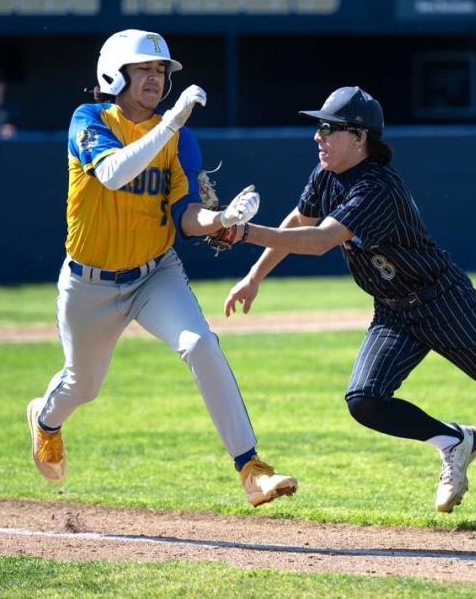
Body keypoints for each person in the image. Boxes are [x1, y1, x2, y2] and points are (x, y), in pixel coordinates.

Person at [223, 86, 476, 524]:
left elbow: (319, 241)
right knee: (364, 400)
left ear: (360, 137)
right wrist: (253, 276)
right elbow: (298, 221)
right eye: (318, 126)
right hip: (393, 311)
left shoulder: (376, 187)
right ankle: (454, 442)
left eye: (329, 127)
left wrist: (245, 232)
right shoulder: (326, 175)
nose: (318, 136)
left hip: (444, 301)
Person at [27, 29, 297, 507]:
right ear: (115, 72)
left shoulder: (180, 137)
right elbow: (112, 173)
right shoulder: (89, 118)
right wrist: (170, 123)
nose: (155, 77)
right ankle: (46, 421)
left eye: (160, 71)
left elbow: (186, 219)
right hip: (89, 283)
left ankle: (251, 467)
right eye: (144, 69)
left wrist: (222, 219)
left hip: (155, 272)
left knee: (201, 344)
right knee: (82, 386)